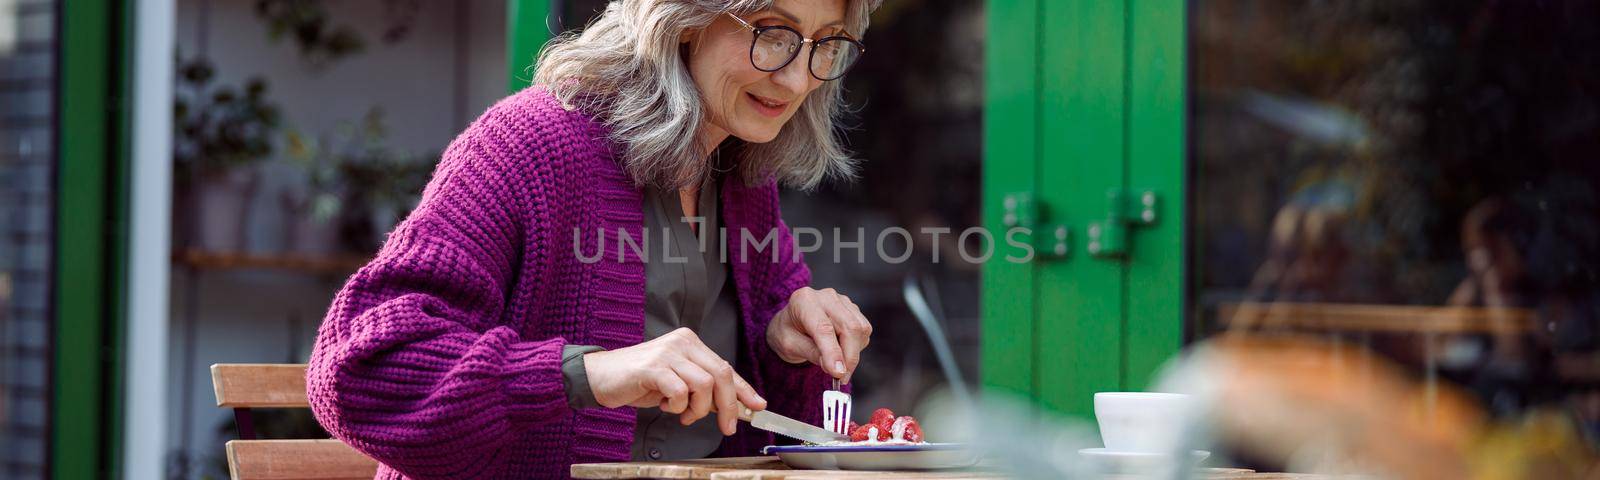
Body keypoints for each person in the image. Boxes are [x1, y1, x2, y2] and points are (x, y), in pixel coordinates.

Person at [305, 0, 881, 477]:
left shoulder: (744, 179)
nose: (798, 76)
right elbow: (358, 372)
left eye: (825, 43)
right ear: (682, 21)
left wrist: (784, 345)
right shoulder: (530, 145)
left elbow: (784, 434)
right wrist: (593, 374)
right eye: (772, 32)